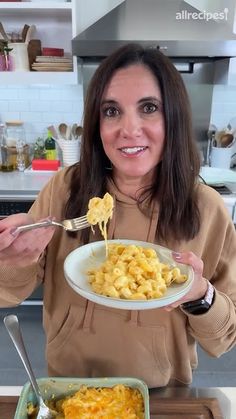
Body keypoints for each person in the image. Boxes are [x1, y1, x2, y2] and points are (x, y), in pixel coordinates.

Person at [0, 43, 236, 388]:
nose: (129, 129)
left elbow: (225, 339)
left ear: (174, 117)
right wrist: (14, 257)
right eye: (111, 111)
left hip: (162, 397)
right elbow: (8, 295)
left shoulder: (208, 208)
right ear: (96, 122)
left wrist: (200, 294)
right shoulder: (66, 189)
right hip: (70, 391)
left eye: (149, 108)